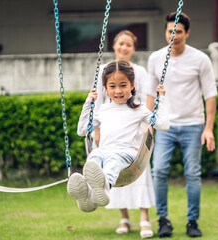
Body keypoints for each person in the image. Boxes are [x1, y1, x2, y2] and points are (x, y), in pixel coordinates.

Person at [146, 12, 217, 238]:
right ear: (165, 32)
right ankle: (163, 220)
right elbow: (150, 95)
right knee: (159, 172)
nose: (173, 35)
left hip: (193, 124)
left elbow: (210, 95)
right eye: (170, 31)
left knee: (193, 174)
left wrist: (208, 129)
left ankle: (192, 222)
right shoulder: (156, 58)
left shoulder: (200, 59)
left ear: (186, 32)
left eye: (178, 31)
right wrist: (148, 124)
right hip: (165, 126)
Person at [67, 60, 169, 217]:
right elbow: (82, 130)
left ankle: (105, 186)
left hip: (128, 155)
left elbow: (163, 125)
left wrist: (161, 99)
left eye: (123, 85)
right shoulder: (103, 110)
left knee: (112, 158)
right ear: (105, 88)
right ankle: (88, 196)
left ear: (132, 85)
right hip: (106, 151)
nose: (118, 91)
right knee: (95, 155)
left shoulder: (139, 110)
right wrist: (89, 102)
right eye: (112, 86)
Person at [94, 30, 156, 239]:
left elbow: (148, 98)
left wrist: (148, 125)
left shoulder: (139, 71)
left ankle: (144, 218)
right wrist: (96, 129)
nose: (124, 48)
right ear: (114, 45)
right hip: (110, 127)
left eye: (128, 45)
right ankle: (124, 217)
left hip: (134, 127)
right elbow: (97, 100)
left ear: (133, 48)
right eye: (120, 43)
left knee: (137, 170)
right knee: (113, 170)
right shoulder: (104, 69)